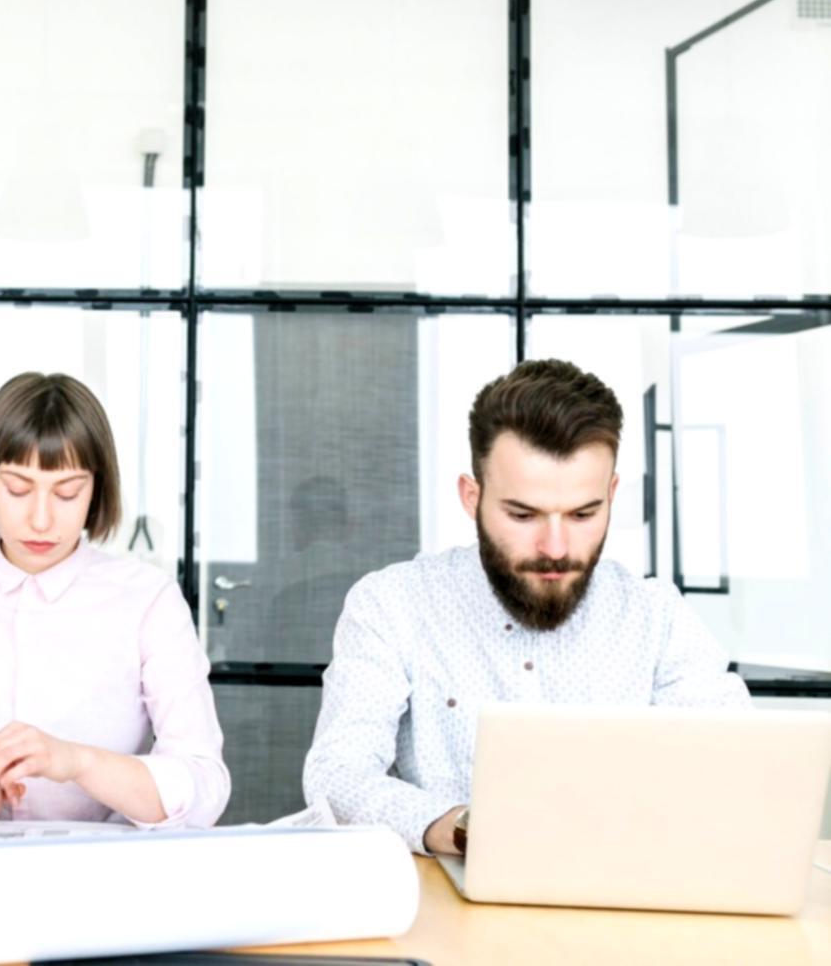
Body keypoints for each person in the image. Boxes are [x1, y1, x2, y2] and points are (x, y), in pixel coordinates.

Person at [302, 359, 748, 855]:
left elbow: (733, 763)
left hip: (629, 894)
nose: (555, 547)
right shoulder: (393, 605)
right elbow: (337, 773)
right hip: (451, 896)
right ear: (472, 497)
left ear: (612, 495)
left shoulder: (657, 616)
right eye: (523, 514)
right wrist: (464, 829)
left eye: (583, 513)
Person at [0, 372, 230, 829]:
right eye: (17, 489)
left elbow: (204, 784)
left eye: (67, 492)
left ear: (97, 490)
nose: (40, 518)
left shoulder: (147, 598)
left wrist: (76, 762)